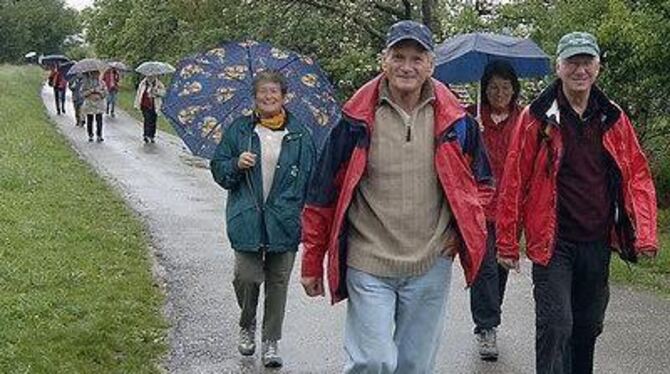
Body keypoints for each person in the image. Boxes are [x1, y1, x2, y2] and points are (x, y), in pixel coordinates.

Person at [300, 20, 492, 373]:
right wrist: (312, 261)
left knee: (414, 366)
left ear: (431, 65)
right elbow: (322, 193)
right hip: (368, 259)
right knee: (373, 361)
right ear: (383, 61)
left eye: (417, 58)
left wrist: (459, 235)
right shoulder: (353, 120)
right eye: (398, 56)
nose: (407, 66)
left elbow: (482, 186)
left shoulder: (458, 123)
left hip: (430, 263)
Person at [495, 32, 658, 374]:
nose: (579, 70)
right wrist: (507, 241)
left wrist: (645, 233)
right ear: (559, 67)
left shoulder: (612, 117)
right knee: (556, 326)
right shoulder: (536, 117)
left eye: (587, 62)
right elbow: (514, 181)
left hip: (597, 240)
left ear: (598, 67)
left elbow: (637, 175)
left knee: (588, 326)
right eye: (572, 62)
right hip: (553, 242)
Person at [210, 71, 316, 368]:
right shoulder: (240, 131)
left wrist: (302, 210)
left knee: (278, 281)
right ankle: (247, 323)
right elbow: (218, 168)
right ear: (254, 97)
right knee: (246, 277)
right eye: (262, 92)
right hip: (247, 216)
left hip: (284, 218)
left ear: (285, 97)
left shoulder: (299, 134)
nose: (268, 97)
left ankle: (271, 340)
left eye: (274, 92)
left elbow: (310, 175)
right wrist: (235, 163)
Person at [465, 60, 522, 361]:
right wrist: (474, 131)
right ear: (484, 90)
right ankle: (487, 326)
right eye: (493, 87)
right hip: (479, 206)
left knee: (501, 267)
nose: (499, 93)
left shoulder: (525, 121)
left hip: (511, 209)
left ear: (514, 90)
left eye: (505, 87)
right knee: (484, 265)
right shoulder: (473, 120)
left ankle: (489, 316)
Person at [133, 75, 165, 143]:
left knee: (153, 121)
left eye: (152, 76)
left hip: (154, 105)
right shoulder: (143, 83)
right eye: (149, 76)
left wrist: (156, 91)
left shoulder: (159, 84)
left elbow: (163, 93)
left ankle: (152, 136)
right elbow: (139, 94)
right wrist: (136, 104)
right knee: (147, 119)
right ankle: (146, 135)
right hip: (145, 105)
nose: (150, 78)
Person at [81, 70, 107, 142]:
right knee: (90, 120)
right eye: (94, 73)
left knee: (99, 120)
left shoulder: (102, 83)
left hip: (99, 104)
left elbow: (105, 93)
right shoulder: (86, 83)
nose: (96, 75)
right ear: (91, 74)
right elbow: (82, 93)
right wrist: (91, 91)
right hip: (89, 104)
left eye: (97, 73)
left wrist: (99, 92)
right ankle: (90, 135)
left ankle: (99, 135)